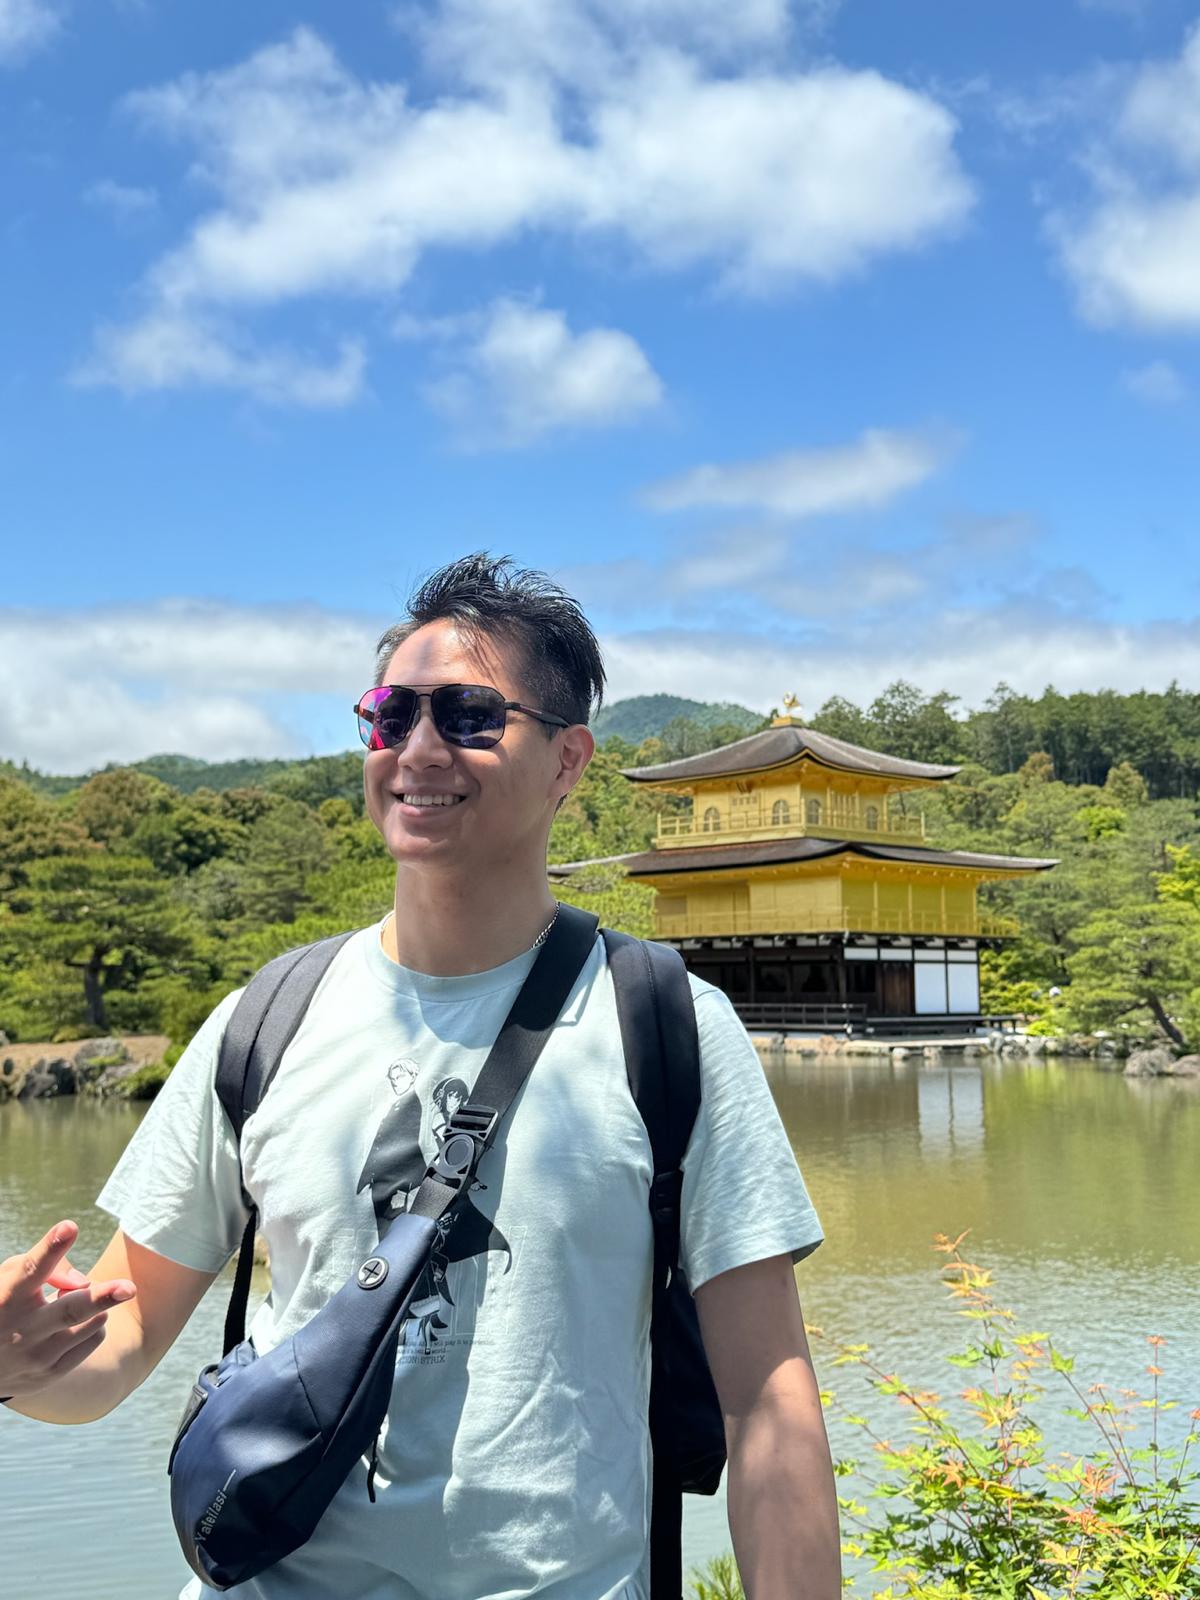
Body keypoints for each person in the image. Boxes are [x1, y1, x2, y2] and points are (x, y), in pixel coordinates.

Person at [0, 554, 841, 1599]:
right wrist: (14, 1365)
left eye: (472, 715)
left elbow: (765, 1399)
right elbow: (119, 1338)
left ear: (569, 762)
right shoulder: (266, 1020)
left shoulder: (665, 1024)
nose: (420, 747)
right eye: (391, 714)